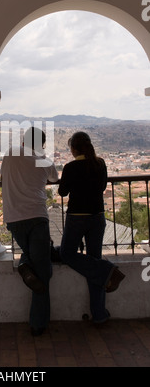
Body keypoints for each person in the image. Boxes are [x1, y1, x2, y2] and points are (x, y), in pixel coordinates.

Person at [58, 131, 125, 324]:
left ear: (73, 149)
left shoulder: (70, 167)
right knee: (93, 260)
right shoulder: (100, 163)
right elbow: (103, 187)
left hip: (77, 217)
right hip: (97, 217)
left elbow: (62, 192)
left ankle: (106, 269)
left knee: (67, 253)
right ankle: (99, 314)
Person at [1, 127, 58, 336]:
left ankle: (25, 264)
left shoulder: (10, 154)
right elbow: (53, 179)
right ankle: (38, 323)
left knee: (34, 257)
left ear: (23, 141)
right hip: (37, 216)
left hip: (14, 218)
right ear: (42, 144)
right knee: (44, 270)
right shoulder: (45, 160)